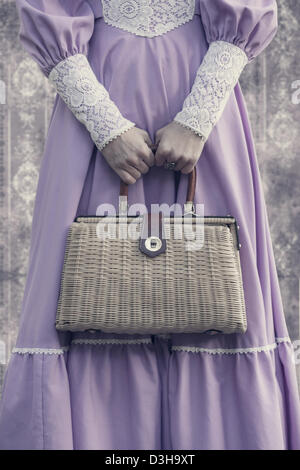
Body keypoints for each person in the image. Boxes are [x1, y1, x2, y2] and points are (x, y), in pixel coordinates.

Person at [0, 0, 299, 450]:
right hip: (97, 102)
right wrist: (106, 126)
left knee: (214, 291)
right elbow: (49, 12)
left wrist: (197, 120)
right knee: (94, 291)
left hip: (203, 100)